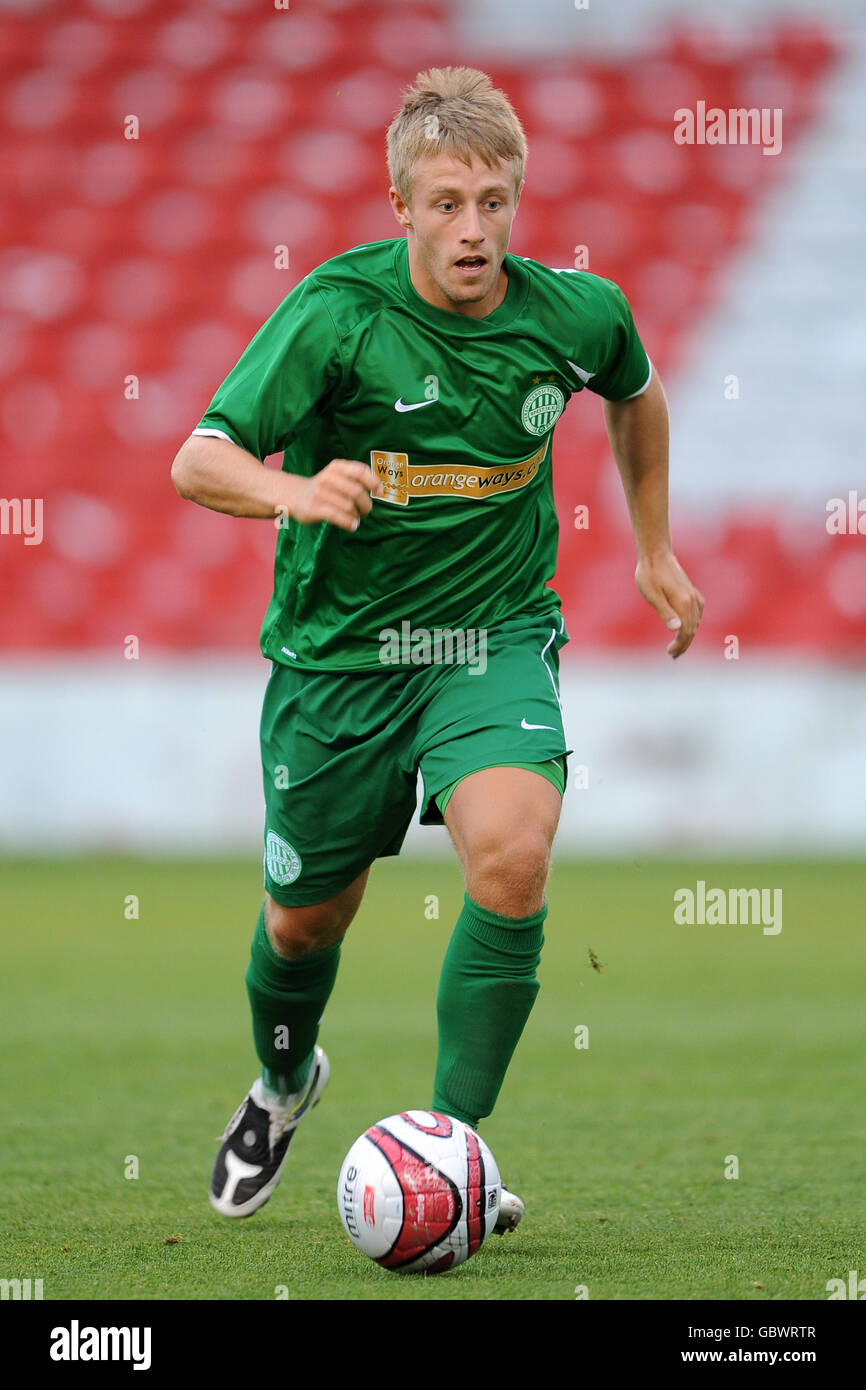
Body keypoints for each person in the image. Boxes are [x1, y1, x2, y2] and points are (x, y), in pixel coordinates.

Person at [171, 66, 704, 1231]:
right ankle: (280, 1082)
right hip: (340, 662)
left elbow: (636, 390)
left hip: (490, 638)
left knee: (512, 860)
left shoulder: (572, 312)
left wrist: (652, 548)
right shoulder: (336, 314)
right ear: (401, 203)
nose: (476, 229)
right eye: (449, 203)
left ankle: (452, 1150)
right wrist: (291, 489)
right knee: (303, 924)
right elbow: (196, 459)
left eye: (496, 201)